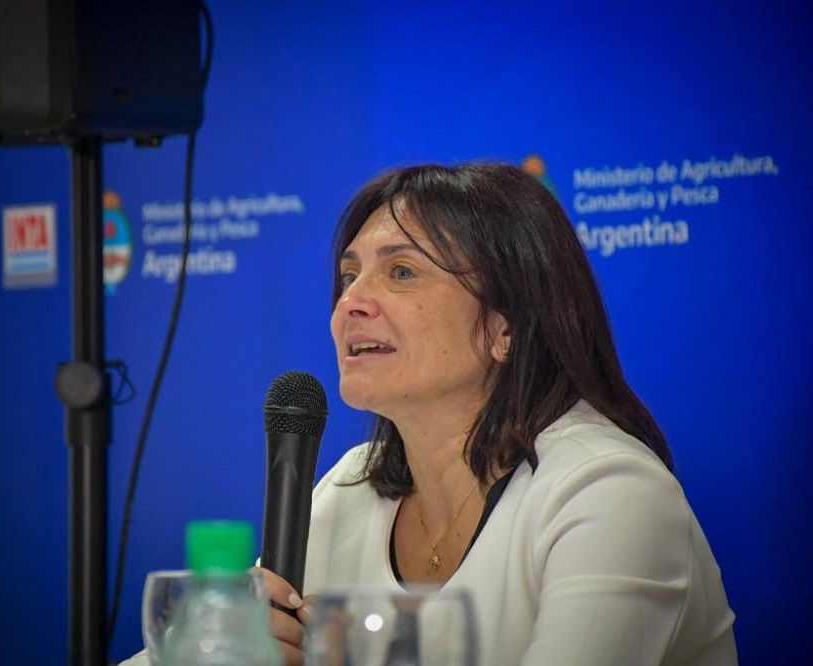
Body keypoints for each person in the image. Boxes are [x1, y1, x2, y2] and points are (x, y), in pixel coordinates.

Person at [262, 162, 737, 665]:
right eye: (349, 276)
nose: (349, 303)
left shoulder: (608, 489)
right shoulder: (347, 489)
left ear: (503, 328)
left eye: (402, 272)